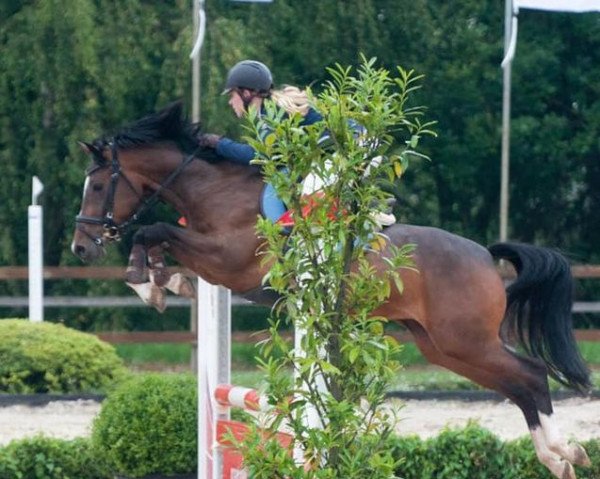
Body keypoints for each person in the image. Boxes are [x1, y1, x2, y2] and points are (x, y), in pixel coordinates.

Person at [198, 59, 395, 227]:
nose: (230, 102)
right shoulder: (267, 113)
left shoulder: (272, 114)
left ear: (247, 93)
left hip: (355, 147)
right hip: (353, 147)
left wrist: (220, 144)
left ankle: (374, 212)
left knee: (310, 191)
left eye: (232, 95)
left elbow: (261, 156)